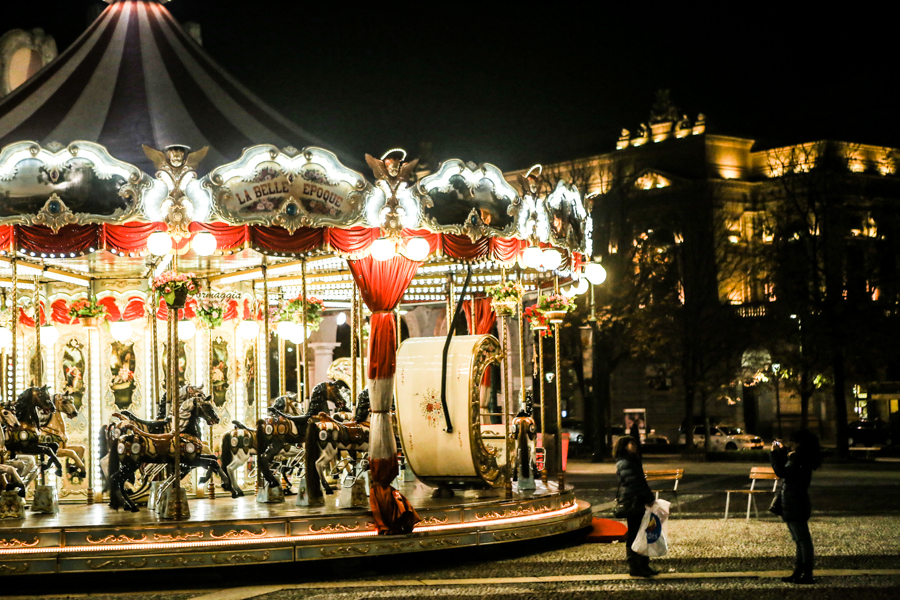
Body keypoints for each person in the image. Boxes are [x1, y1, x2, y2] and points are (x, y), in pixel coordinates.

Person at [771, 429, 822, 585]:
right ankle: (799, 572)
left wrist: (774, 454)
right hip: (794, 501)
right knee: (799, 539)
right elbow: (787, 469)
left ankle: (806, 574)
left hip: (795, 502)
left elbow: (782, 471)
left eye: (792, 441)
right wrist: (782, 452)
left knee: (802, 540)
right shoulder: (800, 457)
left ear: (800, 443)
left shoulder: (800, 457)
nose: (790, 444)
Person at [615, 436, 657, 577]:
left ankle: (643, 564)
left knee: (643, 532)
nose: (635, 445)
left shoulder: (632, 460)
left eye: (635, 443)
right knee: (635, 533)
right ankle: (634, 565)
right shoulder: (625, 462)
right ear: (624, 446)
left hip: (638, 500)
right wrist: (649, 498)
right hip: (633, 500)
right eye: (631, 443)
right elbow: (636, 483)